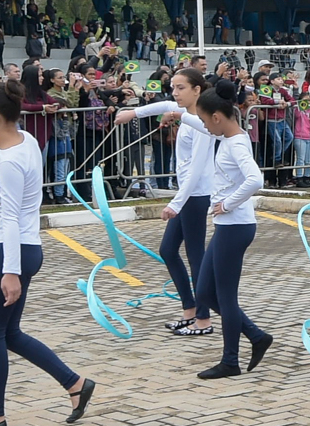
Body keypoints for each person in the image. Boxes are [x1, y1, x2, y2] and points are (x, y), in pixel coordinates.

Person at [0, 80, 95, 426]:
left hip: (10, 249)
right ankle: (74, 383)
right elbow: (2, 148)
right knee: (9, 333)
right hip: (26, 246)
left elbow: (10, 217)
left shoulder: (9, 162)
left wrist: (10, 271)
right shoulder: (26, 141)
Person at [115, 67, 216, 337]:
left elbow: (196, 171)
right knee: (168, 250)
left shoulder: (202, 122)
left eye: (181, 88)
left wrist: (175, 204)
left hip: (196, 195)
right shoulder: (186, 113)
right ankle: (189, 309)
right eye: (173, 87)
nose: (175, 93)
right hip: (186, 195)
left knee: (196, 256)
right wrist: (132, 113)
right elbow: (163, 106)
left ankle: (203, 318)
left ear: (197, 90)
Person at [193, 80, 274, 379]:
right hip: (227, 226)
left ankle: (230, 361)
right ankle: (256, 335)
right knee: (205, 291)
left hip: (236, 226)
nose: (204, 126)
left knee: (226, 297)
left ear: (217, 117)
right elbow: (195, 121)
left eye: (205, 120)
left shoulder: (236, 143)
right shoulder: (227, 137)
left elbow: (255, 180)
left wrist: (227, 204)